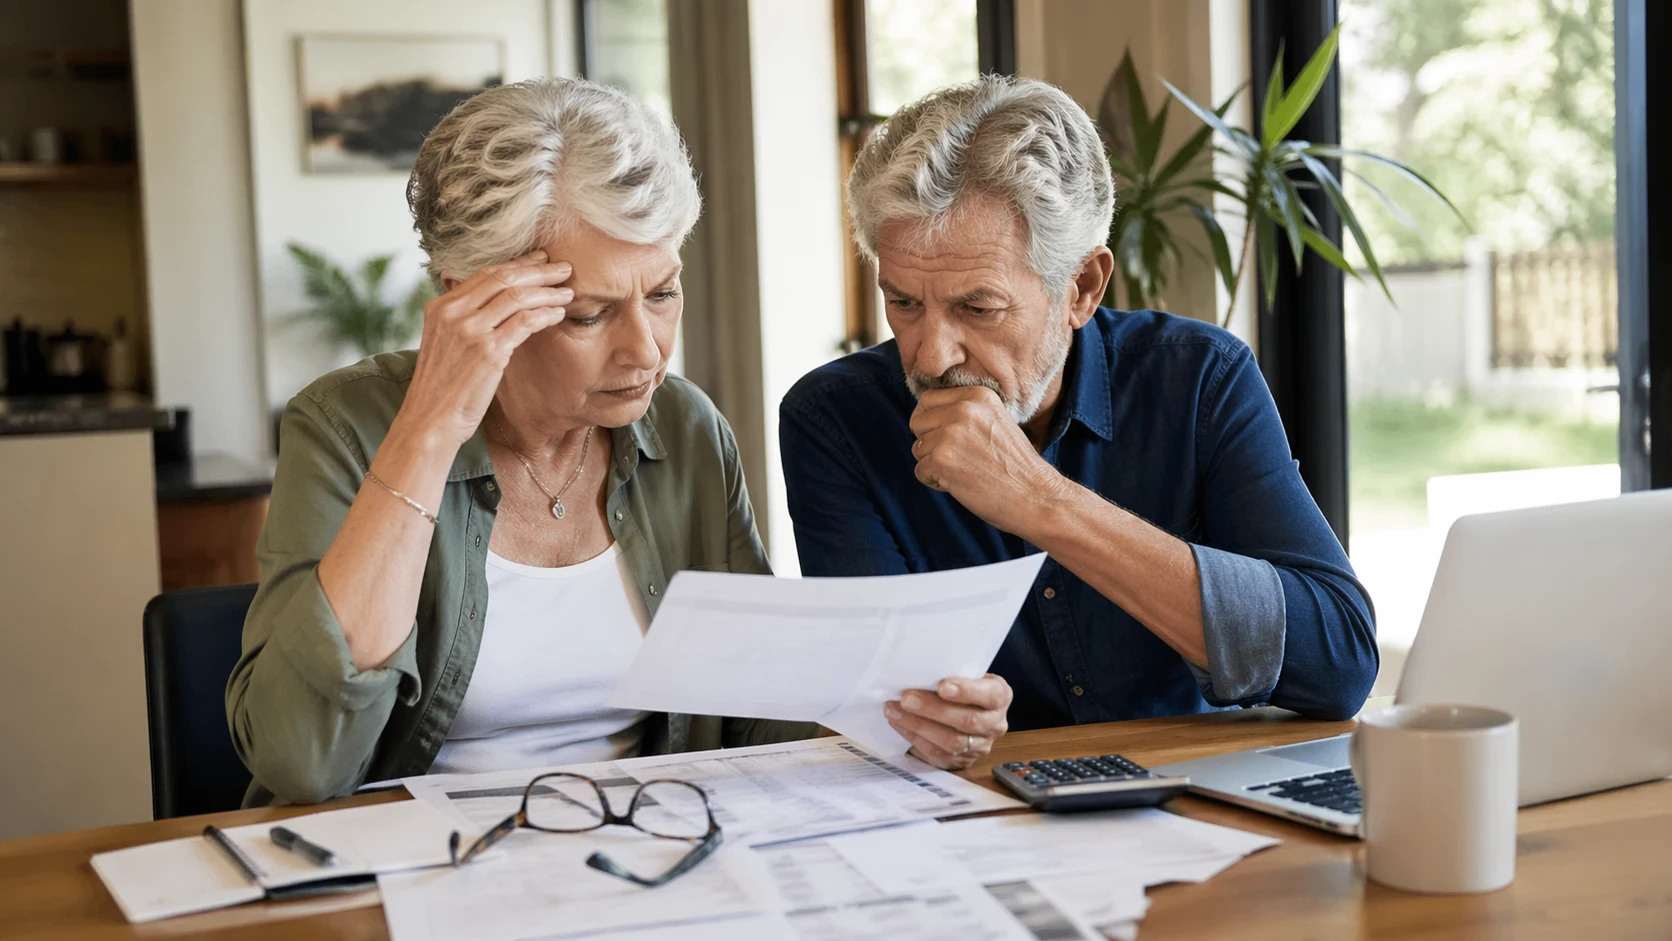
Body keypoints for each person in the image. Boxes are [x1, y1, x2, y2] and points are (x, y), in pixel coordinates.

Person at [228, 78, 1010, 806]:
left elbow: (758, 716)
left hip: (644, 854)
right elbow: (304, 761)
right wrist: (429, 432)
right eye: (587, 314)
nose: (646, 352)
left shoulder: (684, 429)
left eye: (663, 292)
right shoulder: (343, 429)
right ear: (463, 301)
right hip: (418, 871)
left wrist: (907, 722)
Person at [780, 75, 1378, 746]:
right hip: (981, 818)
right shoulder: (834, 420)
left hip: (1196, 801)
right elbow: (879, 704)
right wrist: (935, 718)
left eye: (977, 307)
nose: (928, 354)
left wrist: (1038, 498)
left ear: (1083, 287)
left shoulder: (1201, 379)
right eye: (904, 303)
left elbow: (1340, 663)